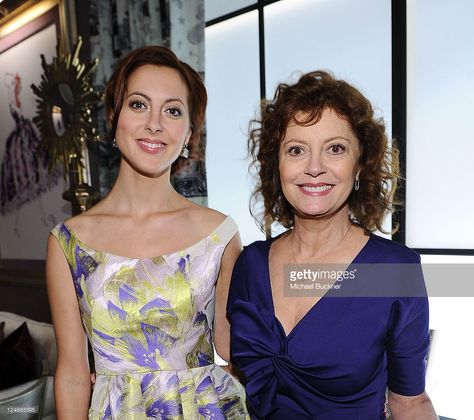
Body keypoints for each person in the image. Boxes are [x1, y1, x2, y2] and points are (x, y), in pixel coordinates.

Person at [46, 46, 249, 419]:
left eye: (172, 110)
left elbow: (237, 349)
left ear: (189, 132)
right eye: (139, 104)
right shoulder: (69, 242)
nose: (155, 123)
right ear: (115, 116)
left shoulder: (219, 234)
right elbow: (73, 373)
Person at [225, 71, 438, 419]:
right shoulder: (249, 265)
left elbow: (410, 401)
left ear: (359, 166)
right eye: (296, 150)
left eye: (335, 149)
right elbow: (237, 376)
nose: (314, 167)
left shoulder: (393, 273)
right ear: (277, 165)